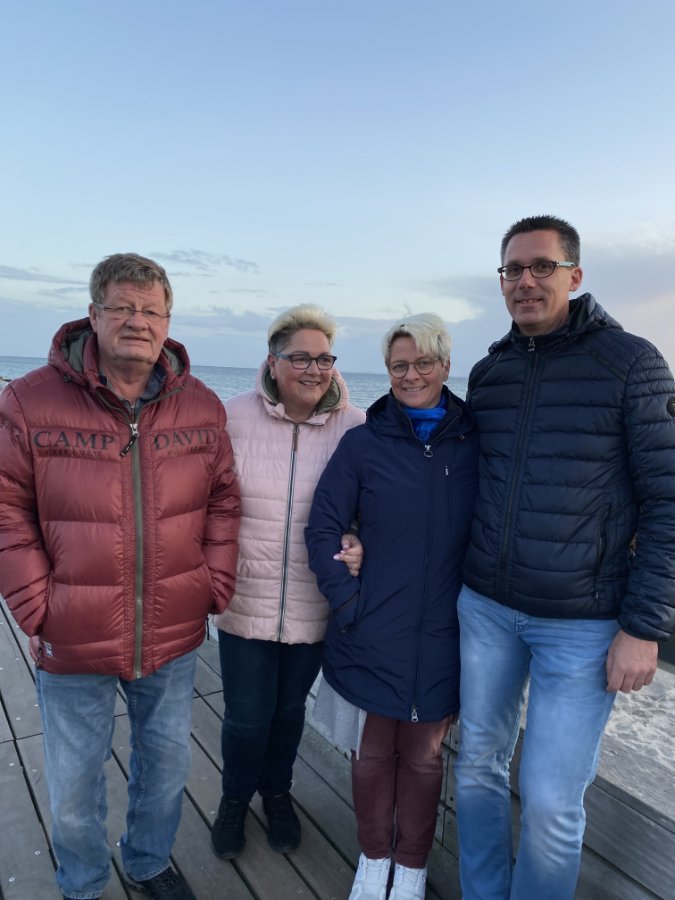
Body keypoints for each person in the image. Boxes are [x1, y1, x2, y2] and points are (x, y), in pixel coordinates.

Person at [0, 253, 240, 900]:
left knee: (166, 767)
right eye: (123, 307)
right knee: (74, 781)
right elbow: (5, 508)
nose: (138, 320)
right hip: (71, 631)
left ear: (168, 322)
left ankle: (148, 862)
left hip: (174, 629)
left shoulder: (202, 405)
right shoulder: (27, 401)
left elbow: (224, 501)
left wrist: (213, 584)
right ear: (94, 314)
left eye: (151, 310)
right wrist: (38, 605)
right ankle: (82, 882)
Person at [454, 215, 675, 900]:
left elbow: (668, 500)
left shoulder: (631, 363)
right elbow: (456, 479)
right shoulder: (489, 372)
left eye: (541, 266)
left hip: (581, 624)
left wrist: (643, 627)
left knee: (551, 801)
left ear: (574, 276)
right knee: (476, 768)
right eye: (512, 269)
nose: (525, 281)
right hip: (486, 609)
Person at [306, 314, 479, 900]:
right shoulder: (364, 442)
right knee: (373, 753)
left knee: (425, 759)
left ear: (445, 366)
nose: (411, 375)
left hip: (446, 633)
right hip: (372, 627)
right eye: (399, 366)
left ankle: (411, 867)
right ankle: (374, 857)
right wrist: (348, 602)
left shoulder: (474, 442)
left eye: (423, 363)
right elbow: (323, 527)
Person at [210, 304, 365, 861]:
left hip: (313, 600)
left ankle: (277, 793)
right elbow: (205, 500)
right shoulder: (231, 417)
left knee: (288, 711)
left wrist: (360, 539)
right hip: (245, 596)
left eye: (323, 358)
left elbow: (371, 505)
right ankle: (234, 799)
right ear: (272, 362)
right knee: (246, 717)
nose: (313, 369)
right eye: (300, 357)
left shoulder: (356, 427)